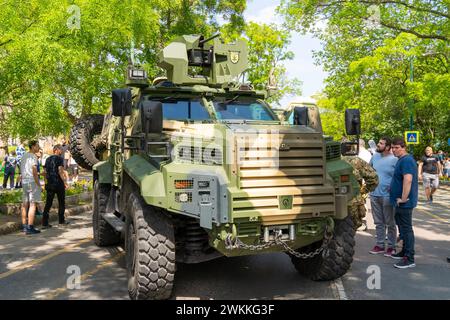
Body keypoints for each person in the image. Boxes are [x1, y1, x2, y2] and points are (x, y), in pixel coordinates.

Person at [389, 137, 418, 269]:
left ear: (403, 147)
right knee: (402, 229)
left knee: (406, 230)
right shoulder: (401, 160)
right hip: (399, 202)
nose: (394, 150)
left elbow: (408, 180)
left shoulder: (406, 160)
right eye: (392, 147)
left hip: (404, 203)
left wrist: (404, 198)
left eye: (396, 148)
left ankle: (409, 258)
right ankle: (404, 253)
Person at [368, 137, 398, 256]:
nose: (378, 145)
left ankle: (391, 247)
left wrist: (394, 188)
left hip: (388, 196)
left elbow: (399, 177)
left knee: (390, 223)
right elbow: (368, 170)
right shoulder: (375, 156)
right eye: (379, 143)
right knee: (378, 222)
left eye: (381, 143)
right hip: (374, 194)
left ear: (388, 147)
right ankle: (380, 245)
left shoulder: (395, 159)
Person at [343, 155, 379, 231]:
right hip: (353, 201)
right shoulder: (356, 161)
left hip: (328, 203)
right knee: (348, 232)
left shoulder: (325, 160)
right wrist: (364, 191)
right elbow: (373, 178)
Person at [42, 144, 69, 228]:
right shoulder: (59, 159)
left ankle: (45, 223)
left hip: (50, 184)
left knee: (48, 203)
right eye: (60, 149)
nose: (62, 151)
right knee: (61, 202)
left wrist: (45, 182)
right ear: (56, 150)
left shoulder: (47, 159)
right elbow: (60, 171)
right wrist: (65, 182)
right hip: (58, 183)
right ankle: (61, 221)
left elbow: (45, 172)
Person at [20, 140, 43, 235]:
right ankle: (30, 227)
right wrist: (39, 184)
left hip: (24, 181)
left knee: (24, 205)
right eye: (37, 146)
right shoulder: (33, 157)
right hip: (32, 182)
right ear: (33, 146)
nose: (38, 148)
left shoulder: (24, 155)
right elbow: (34, 171)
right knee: (33, 205)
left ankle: (24, 226)